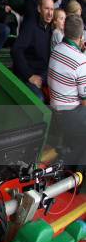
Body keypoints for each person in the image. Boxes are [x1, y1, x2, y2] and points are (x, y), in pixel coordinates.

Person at [47, 14, 86, 165]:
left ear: (65, 31)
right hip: (70, 115)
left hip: (57, 110)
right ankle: (78, 175)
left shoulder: (57, 48)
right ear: (81, 34)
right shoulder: (81, 60)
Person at [11, 0, 54, 101]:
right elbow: (16, 50)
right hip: (29, 75)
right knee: (39, 98)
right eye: (46, 8)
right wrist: (29, 76)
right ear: (39, 9)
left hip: (45, 75)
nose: (50, 13)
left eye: (52, 9)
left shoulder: (51, 28)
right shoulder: (30, 26)